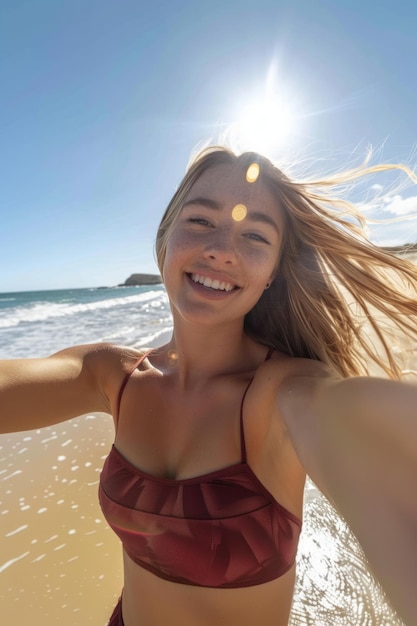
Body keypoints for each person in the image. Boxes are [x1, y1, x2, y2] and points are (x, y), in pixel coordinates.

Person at [1, 145, 417, 626]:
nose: (221, 249)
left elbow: (354, 425)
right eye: (200, 221)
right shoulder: (114, 378)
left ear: (272, 274)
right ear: (166, 238)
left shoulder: (283, 395)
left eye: (256, 235)